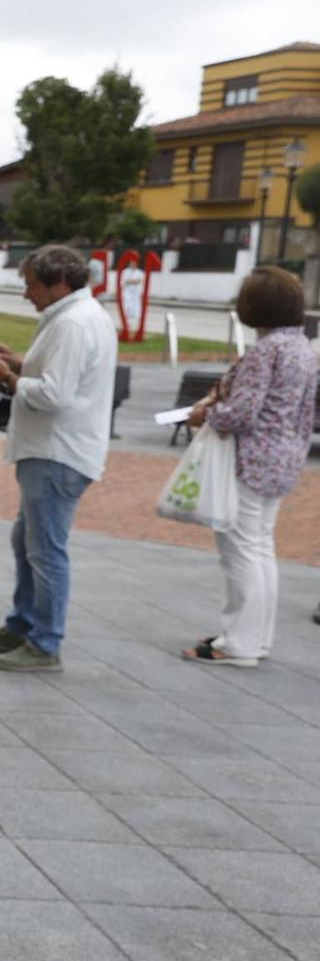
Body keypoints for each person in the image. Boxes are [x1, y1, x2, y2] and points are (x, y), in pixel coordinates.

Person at [0, 243, 119, 673]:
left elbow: (55, 394)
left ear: (57, 284)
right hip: (53, 450)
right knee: (28, 542)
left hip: (58, 452)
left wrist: (9, 378)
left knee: (45, 549)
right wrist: (14, 360)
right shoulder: (74, 317)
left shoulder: (73, 323)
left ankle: (44, 642)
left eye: (31, 285)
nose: (25, 294)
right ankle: (23, 624)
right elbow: (59, 373)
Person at [179, 267, 318, 665]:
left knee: (240, 553)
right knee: (260, 550)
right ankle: (254, 638)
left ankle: (237, 644)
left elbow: (242, 413)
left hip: (250, 460)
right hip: (284, 459)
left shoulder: (266, 351)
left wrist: (205, 415)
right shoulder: (303, 348)